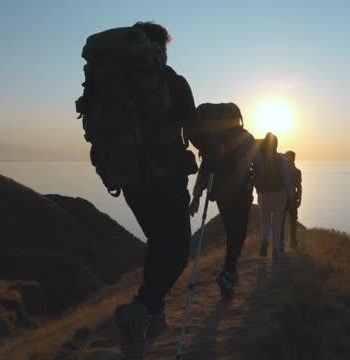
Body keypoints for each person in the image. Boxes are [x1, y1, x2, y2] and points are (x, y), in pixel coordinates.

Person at [108, 21, 199, 356]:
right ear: (159, 48)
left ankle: (154, 318)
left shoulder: (116, 84)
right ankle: (139, 310)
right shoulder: (171, 81)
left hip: (130, 180)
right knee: (176, 254)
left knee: (158, 243)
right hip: (166, 178)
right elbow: (194, 127)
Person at [188, 102, 260, 299]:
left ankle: (230, 272)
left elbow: (205, 169)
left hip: (220, 193)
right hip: (241, 192)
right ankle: (229, 271)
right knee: (239, 232)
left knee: (231, 231)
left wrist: (196, 196)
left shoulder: (214, 142)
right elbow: (258, 164)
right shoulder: (246, 137)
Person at [254, 133, 294, 259]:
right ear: (276, 144)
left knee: (265, 222)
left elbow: (256, 176)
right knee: (277, 223)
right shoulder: (280, 159)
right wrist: (291, 196)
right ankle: (275, 251)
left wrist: (258, 192)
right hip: (279, 195)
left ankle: (264, 241)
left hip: (264, 194)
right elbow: (286, 179)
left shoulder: (260, 158)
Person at [279, 150, 302, 250]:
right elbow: (299, 187)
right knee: (293, 221)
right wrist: (300, 198)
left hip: (283, 198)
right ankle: (293, 242)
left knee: (281, 221)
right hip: (292, 198)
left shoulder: (282, 170)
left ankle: (281, 242)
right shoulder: (297, 171)